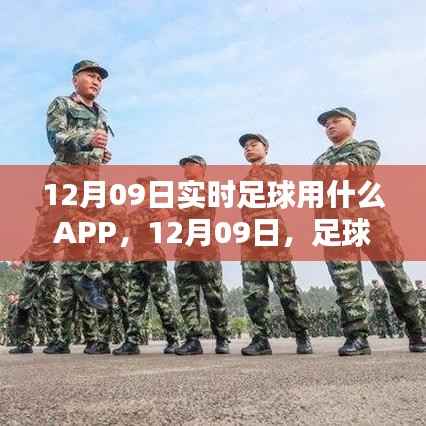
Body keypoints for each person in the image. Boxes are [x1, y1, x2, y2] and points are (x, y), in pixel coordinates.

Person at [313, 106, 426, 354]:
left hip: (372, 222)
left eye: (336, 120)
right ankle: (357, 337)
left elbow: (363, 160)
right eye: (326, 124)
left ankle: (417, 331)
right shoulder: (319, 162)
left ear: (353, 123)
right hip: (337, 227)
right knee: (346, 283)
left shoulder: (366, 146)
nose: (330, 125)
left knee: (395, 276)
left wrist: (346, 166)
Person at [237, 134, 312, 356]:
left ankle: (301, 334)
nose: (248, 149)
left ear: (266, 149)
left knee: (285, 287)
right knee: (253, 293)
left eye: (253, 145)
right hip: (250, 239)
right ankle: (260, 339)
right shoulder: (245, 179)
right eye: (245, 147)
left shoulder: (273, 170)